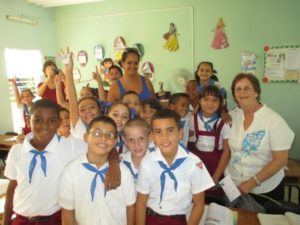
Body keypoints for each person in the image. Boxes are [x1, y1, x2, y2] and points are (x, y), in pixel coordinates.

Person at [2, 99, 87, 225]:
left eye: (51, 120)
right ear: (28, 121)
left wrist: (113, 163)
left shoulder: (69, 146)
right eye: (38, 120)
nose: (45, 125)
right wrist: (6, 221)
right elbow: (12, 188)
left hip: (54, 219)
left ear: (59, 122)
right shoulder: (17, 150)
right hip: (21, 220)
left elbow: (103, 148)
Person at [136, 109, 214, 225]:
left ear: (180, 133)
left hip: (178, 221)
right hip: (151, 219)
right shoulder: (147, 163)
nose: (164, 137)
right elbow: (141, 202)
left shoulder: (194, 163)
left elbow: (198, 204)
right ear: (152, 136)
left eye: (170, 130)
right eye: (158, 132)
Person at [227, 73, 295, 205]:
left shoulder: (274, 121)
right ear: (234, 95)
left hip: (264, 188)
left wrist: (252, 182)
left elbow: (281, 160)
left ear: (256, 92)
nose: (242, 92)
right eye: (238, 89)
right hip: (234, 184)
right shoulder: (234, 116)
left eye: (247, 88)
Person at [59, 116, 135, 225]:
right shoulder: (70, 172)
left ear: (114, 142)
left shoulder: (124, 173)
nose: (103, 138)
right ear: (86, 137)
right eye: (97, 133)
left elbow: (130, 208)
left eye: (109, 135)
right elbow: (67, 215)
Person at [189, 85, 231, 196]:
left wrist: (217, 176)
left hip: (217, 164)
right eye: (206, 99)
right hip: (199, 164)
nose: (210, 104)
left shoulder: (224, 122)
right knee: (198, 195)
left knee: (215, 196)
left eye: (215, 100)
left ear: (220, 103)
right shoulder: (192, 119)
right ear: (199, 101)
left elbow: (227, 151)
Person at [122, 118, 151, 183]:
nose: (136, 144)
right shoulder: (121, 162)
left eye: (141, 138)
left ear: (148, 138)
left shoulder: (157, 161)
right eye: (131, 140)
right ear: (125, 142)